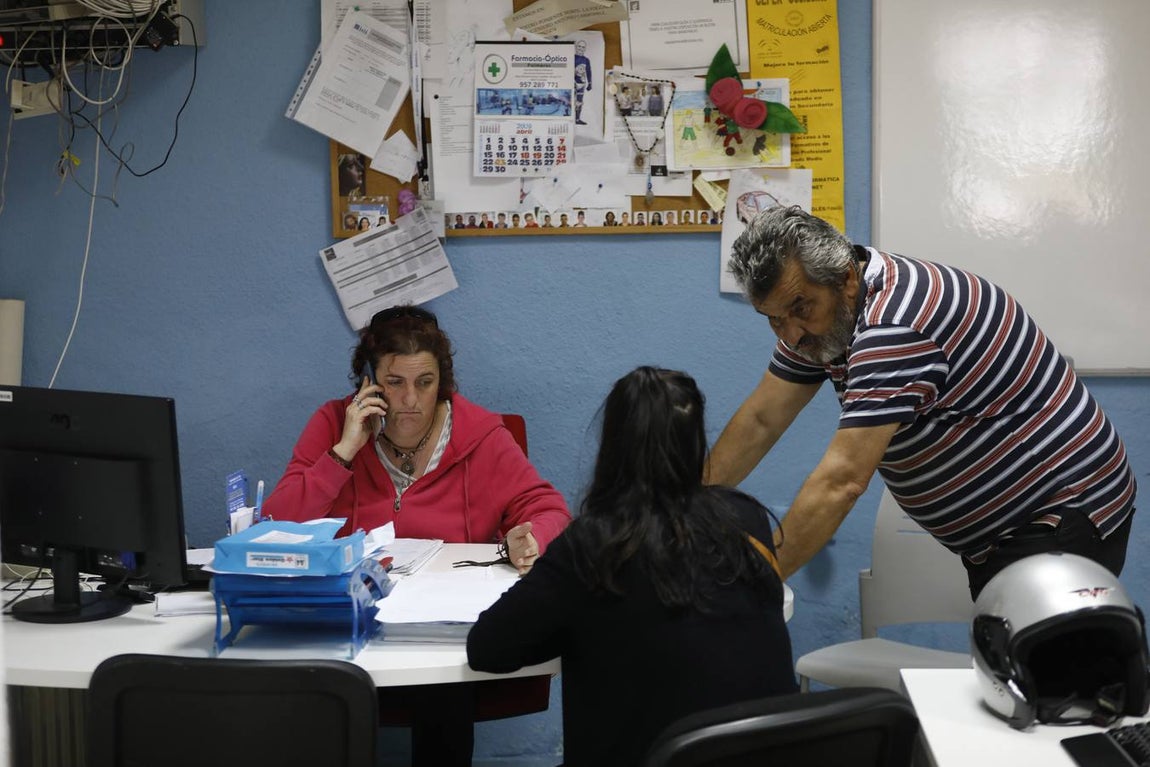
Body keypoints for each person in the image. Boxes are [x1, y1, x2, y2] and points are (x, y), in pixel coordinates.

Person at [709, 205, 1137, 599]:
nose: (790, 335)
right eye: (773, 319)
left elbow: (842, 481)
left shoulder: (894, 328)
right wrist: (677, 507)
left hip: (1062, 507)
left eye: (799, 309)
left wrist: (754, 584)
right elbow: (763, 420)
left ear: (846, 278)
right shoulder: (819, 319)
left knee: (1051, 672)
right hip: (1008, 527)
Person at [262, 305, 572, 766]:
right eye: (394, 382)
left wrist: (533, 538)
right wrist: (344, 453)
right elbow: (279, 524)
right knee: (301, 687)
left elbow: (548, 508)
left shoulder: (481, 436)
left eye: (424, 383)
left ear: (441, 383)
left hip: (438, 628)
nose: (410, 399)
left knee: (444, 684)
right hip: (347, 619)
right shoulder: (333, 423)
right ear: (368, 382)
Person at [468, 366, 796, 766]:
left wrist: (572, 628)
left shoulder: (595, 543)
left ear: (613, 446)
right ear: (695, 443)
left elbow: (487, 648)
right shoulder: (747, 519)